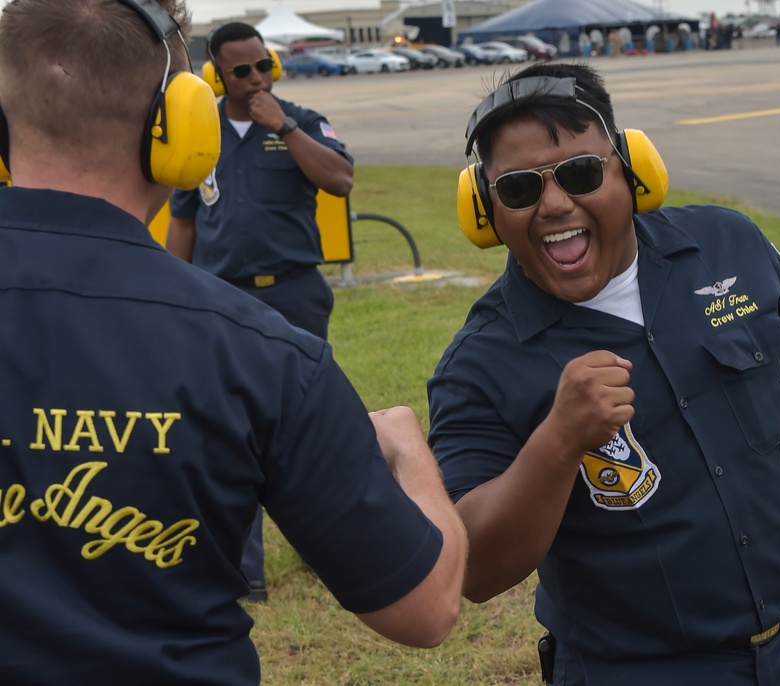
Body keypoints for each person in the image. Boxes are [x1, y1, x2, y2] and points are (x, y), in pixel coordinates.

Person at [428, 62, 780, 685]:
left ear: (631, 171)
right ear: (485, 209)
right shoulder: (478, 362)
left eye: (580, 173)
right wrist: (557, 441)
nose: (554, 204)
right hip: (633, 672)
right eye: (520, 189)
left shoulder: (727, 245)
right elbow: (474, 570)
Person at [0, 1, 466, 683]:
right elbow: (426, 608)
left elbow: (338, 175)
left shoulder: (264, 341)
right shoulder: (263, 357)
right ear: (183, 126)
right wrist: (409, 450)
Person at [166, 21, 355, 601]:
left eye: (263, 65)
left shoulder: (302, 119)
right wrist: (175, 294)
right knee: (229, 429)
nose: (255, 79)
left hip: (295, 294)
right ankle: (245, 570)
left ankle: (324, 550)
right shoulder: (198, 131)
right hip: (224, 298)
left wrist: (287, 127)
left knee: (303, 426)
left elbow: (341, 180)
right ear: (216, 73)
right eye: (241, 70)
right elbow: (183, 221)